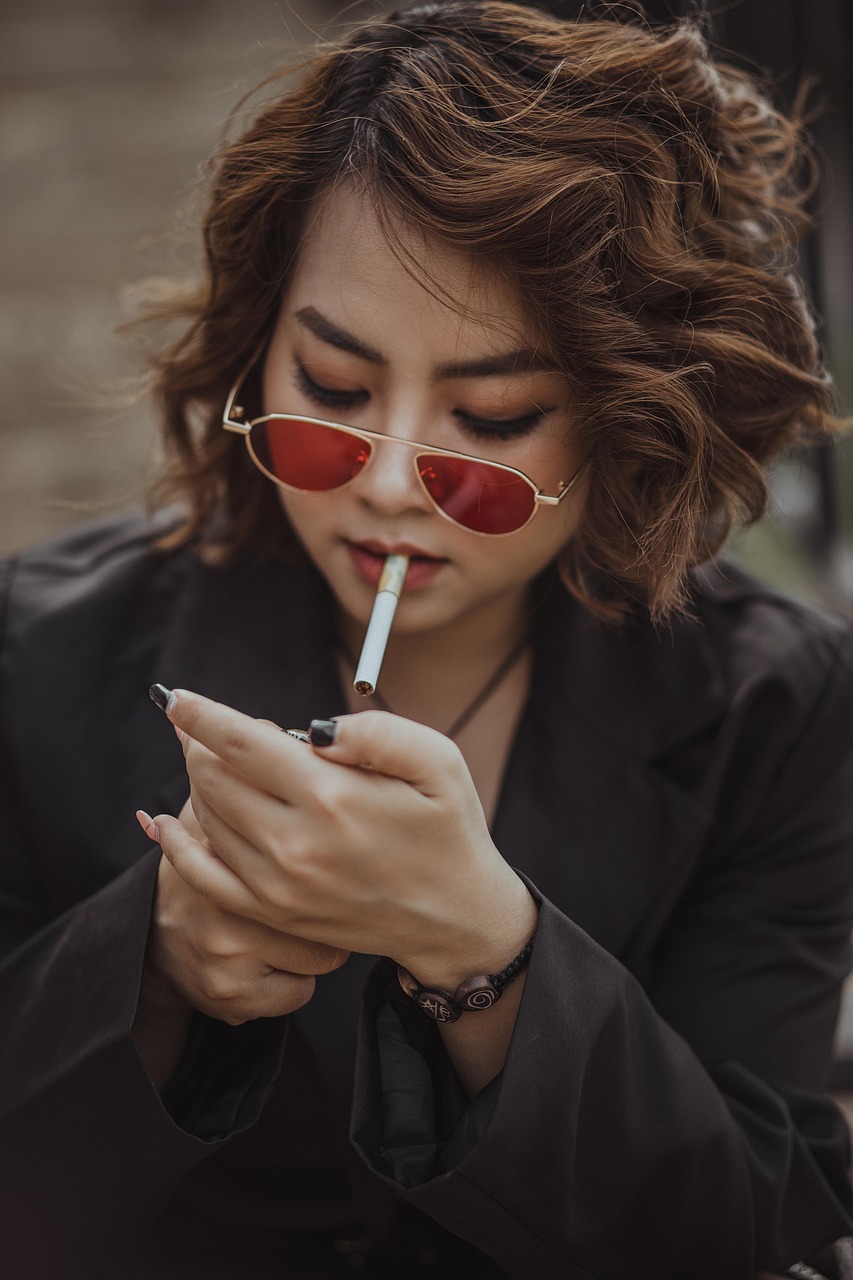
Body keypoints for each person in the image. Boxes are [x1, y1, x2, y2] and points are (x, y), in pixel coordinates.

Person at [1, 2, 852, 1276]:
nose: (392, 481)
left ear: (629, 418)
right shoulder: (36, 656)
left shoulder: (772, 707)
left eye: (494, 415)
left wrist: (488, 955)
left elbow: (736, 1220)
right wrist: (159, 963)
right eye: (333, 391)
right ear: (254, 352)